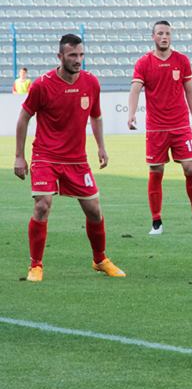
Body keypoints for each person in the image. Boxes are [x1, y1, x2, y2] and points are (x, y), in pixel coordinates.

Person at [13, 34, 125, 282]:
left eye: (81, 55)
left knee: (94, 210)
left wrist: (101, 147)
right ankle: (36, 265)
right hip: (46, 156)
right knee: (42, 205)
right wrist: (19, 157)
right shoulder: (42, 84)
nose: (78, 60)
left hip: (76, 159)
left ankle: (100, 260)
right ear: (60, 56)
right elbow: (23, 117)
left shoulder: (90, 83)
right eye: (73, 55)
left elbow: (96, 116)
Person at [128, 21, 192, 236]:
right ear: (153, 36)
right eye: (160, 33)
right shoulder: (144, 62)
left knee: (190, 168)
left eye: (167, 33)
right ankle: (156, 221)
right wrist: (131, 113)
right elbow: (135, 89)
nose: (164, 37)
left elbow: (189, 90)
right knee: (156, 170)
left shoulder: (181, 60)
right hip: (156, 128)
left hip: (180, 125)